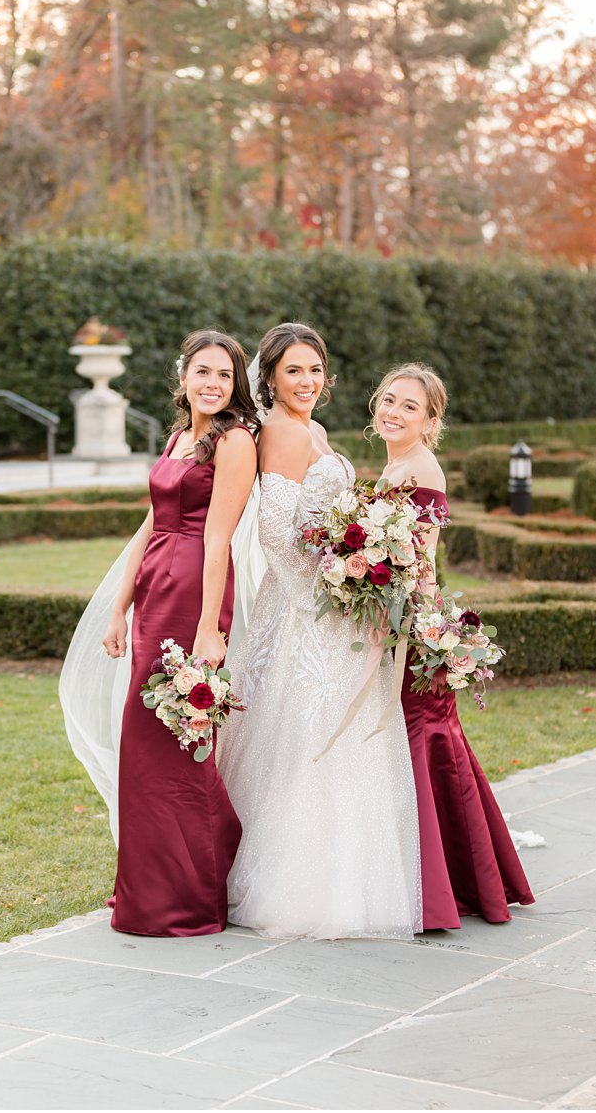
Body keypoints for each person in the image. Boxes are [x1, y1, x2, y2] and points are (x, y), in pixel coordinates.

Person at [217, 322, 422, 940]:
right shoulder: (276, 432)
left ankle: (344, 881)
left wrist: (357, 557)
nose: (306, 382)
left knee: (339, 739)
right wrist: (336, 573)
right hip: (306, 610)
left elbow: (326, 515)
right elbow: (276, 534)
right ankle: (296, 888)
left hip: (333, 606)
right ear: (271, 380)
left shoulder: (315, 431)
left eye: (314, 370)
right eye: (293, 372)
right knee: (306, 736)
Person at [68, 329, 258, 937]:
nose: (211, 383)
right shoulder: (179, 438)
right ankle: (147, 889)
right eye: (202, 371)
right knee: (142, 743)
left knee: (176, 743)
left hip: (194, 597)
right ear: (183, 378)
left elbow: (219, 538)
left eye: (223, 375)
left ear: (236, 385)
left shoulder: (235, 442)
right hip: (154, 593)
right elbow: (149, 526)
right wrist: (119, 607)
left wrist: (209, 628)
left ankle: (193, 895)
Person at [371, 363, 535, 928]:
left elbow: (418, 566)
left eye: (408, 407)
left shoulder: (422, 470)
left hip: (413, 629)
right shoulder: (398, 461)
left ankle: (442, 888)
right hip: (406, 623)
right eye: (388, 400)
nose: (393, 411)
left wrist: (402, 628)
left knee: (424, 744)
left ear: (431, 420)